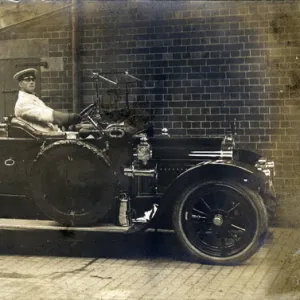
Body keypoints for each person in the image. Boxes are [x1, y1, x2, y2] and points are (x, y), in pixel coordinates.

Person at [13, 68, 81, 132]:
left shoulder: (33, 98)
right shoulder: (22, 103)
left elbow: (47, 110)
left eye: (33, 79)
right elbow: (42, 114)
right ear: (20, 84)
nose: (31, 82)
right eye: (27, 80)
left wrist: (62, 124)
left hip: (49, 133)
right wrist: (66, 117)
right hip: (42, 138)